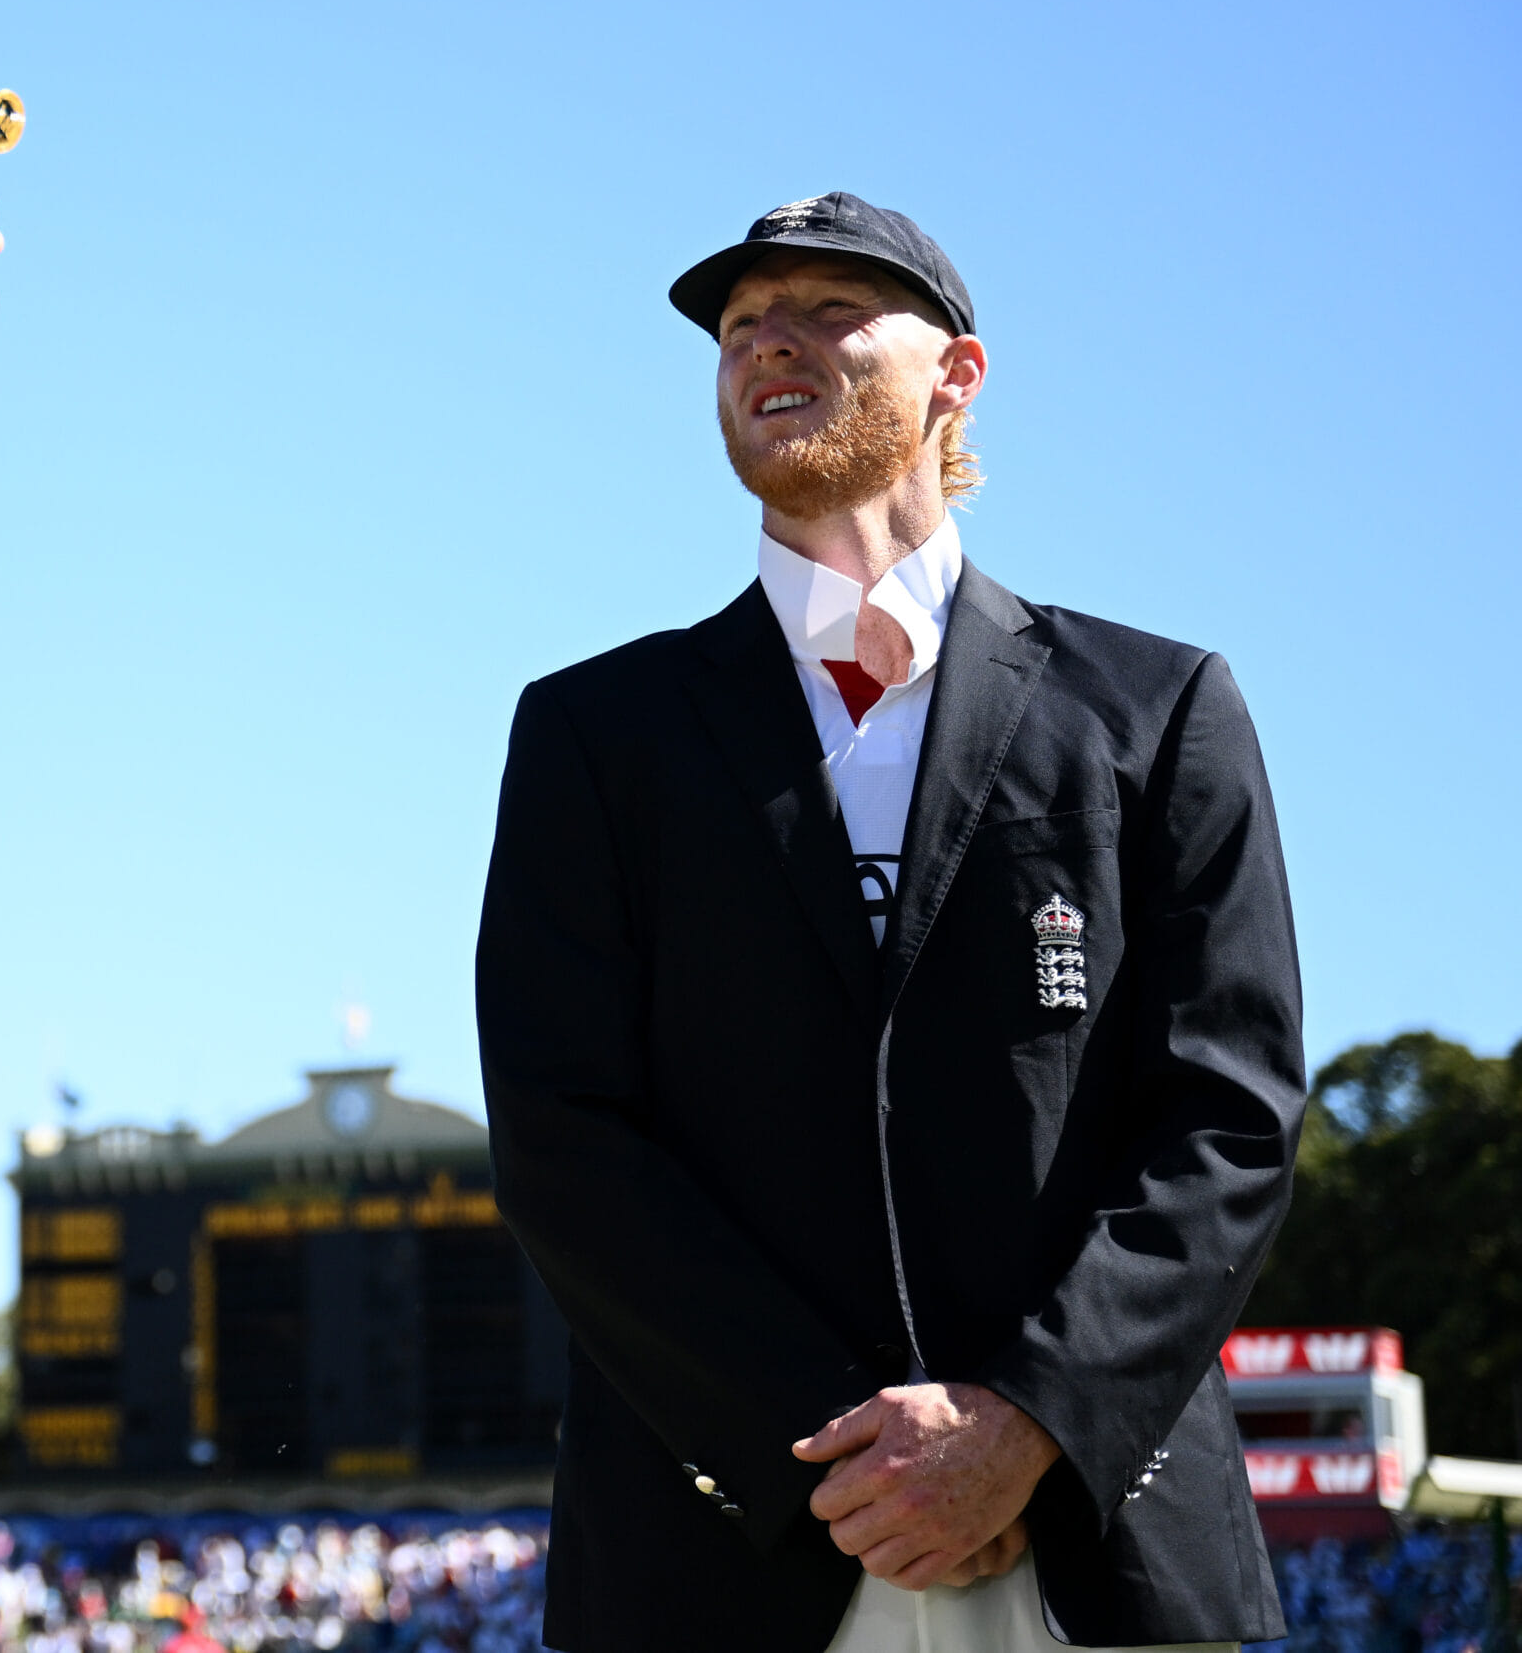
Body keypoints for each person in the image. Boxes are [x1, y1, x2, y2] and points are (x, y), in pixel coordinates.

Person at [476, 192, 1303, 1652]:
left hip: (1090, 1550)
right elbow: (564, 1139)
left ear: (958, 377)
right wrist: (835, 1451)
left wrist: (1028, 1421)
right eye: (740, 324)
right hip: (724, 1548)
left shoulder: (1159, 710)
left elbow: (1228, 1122)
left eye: (826, 310)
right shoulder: (592, 734)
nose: (766, 344)